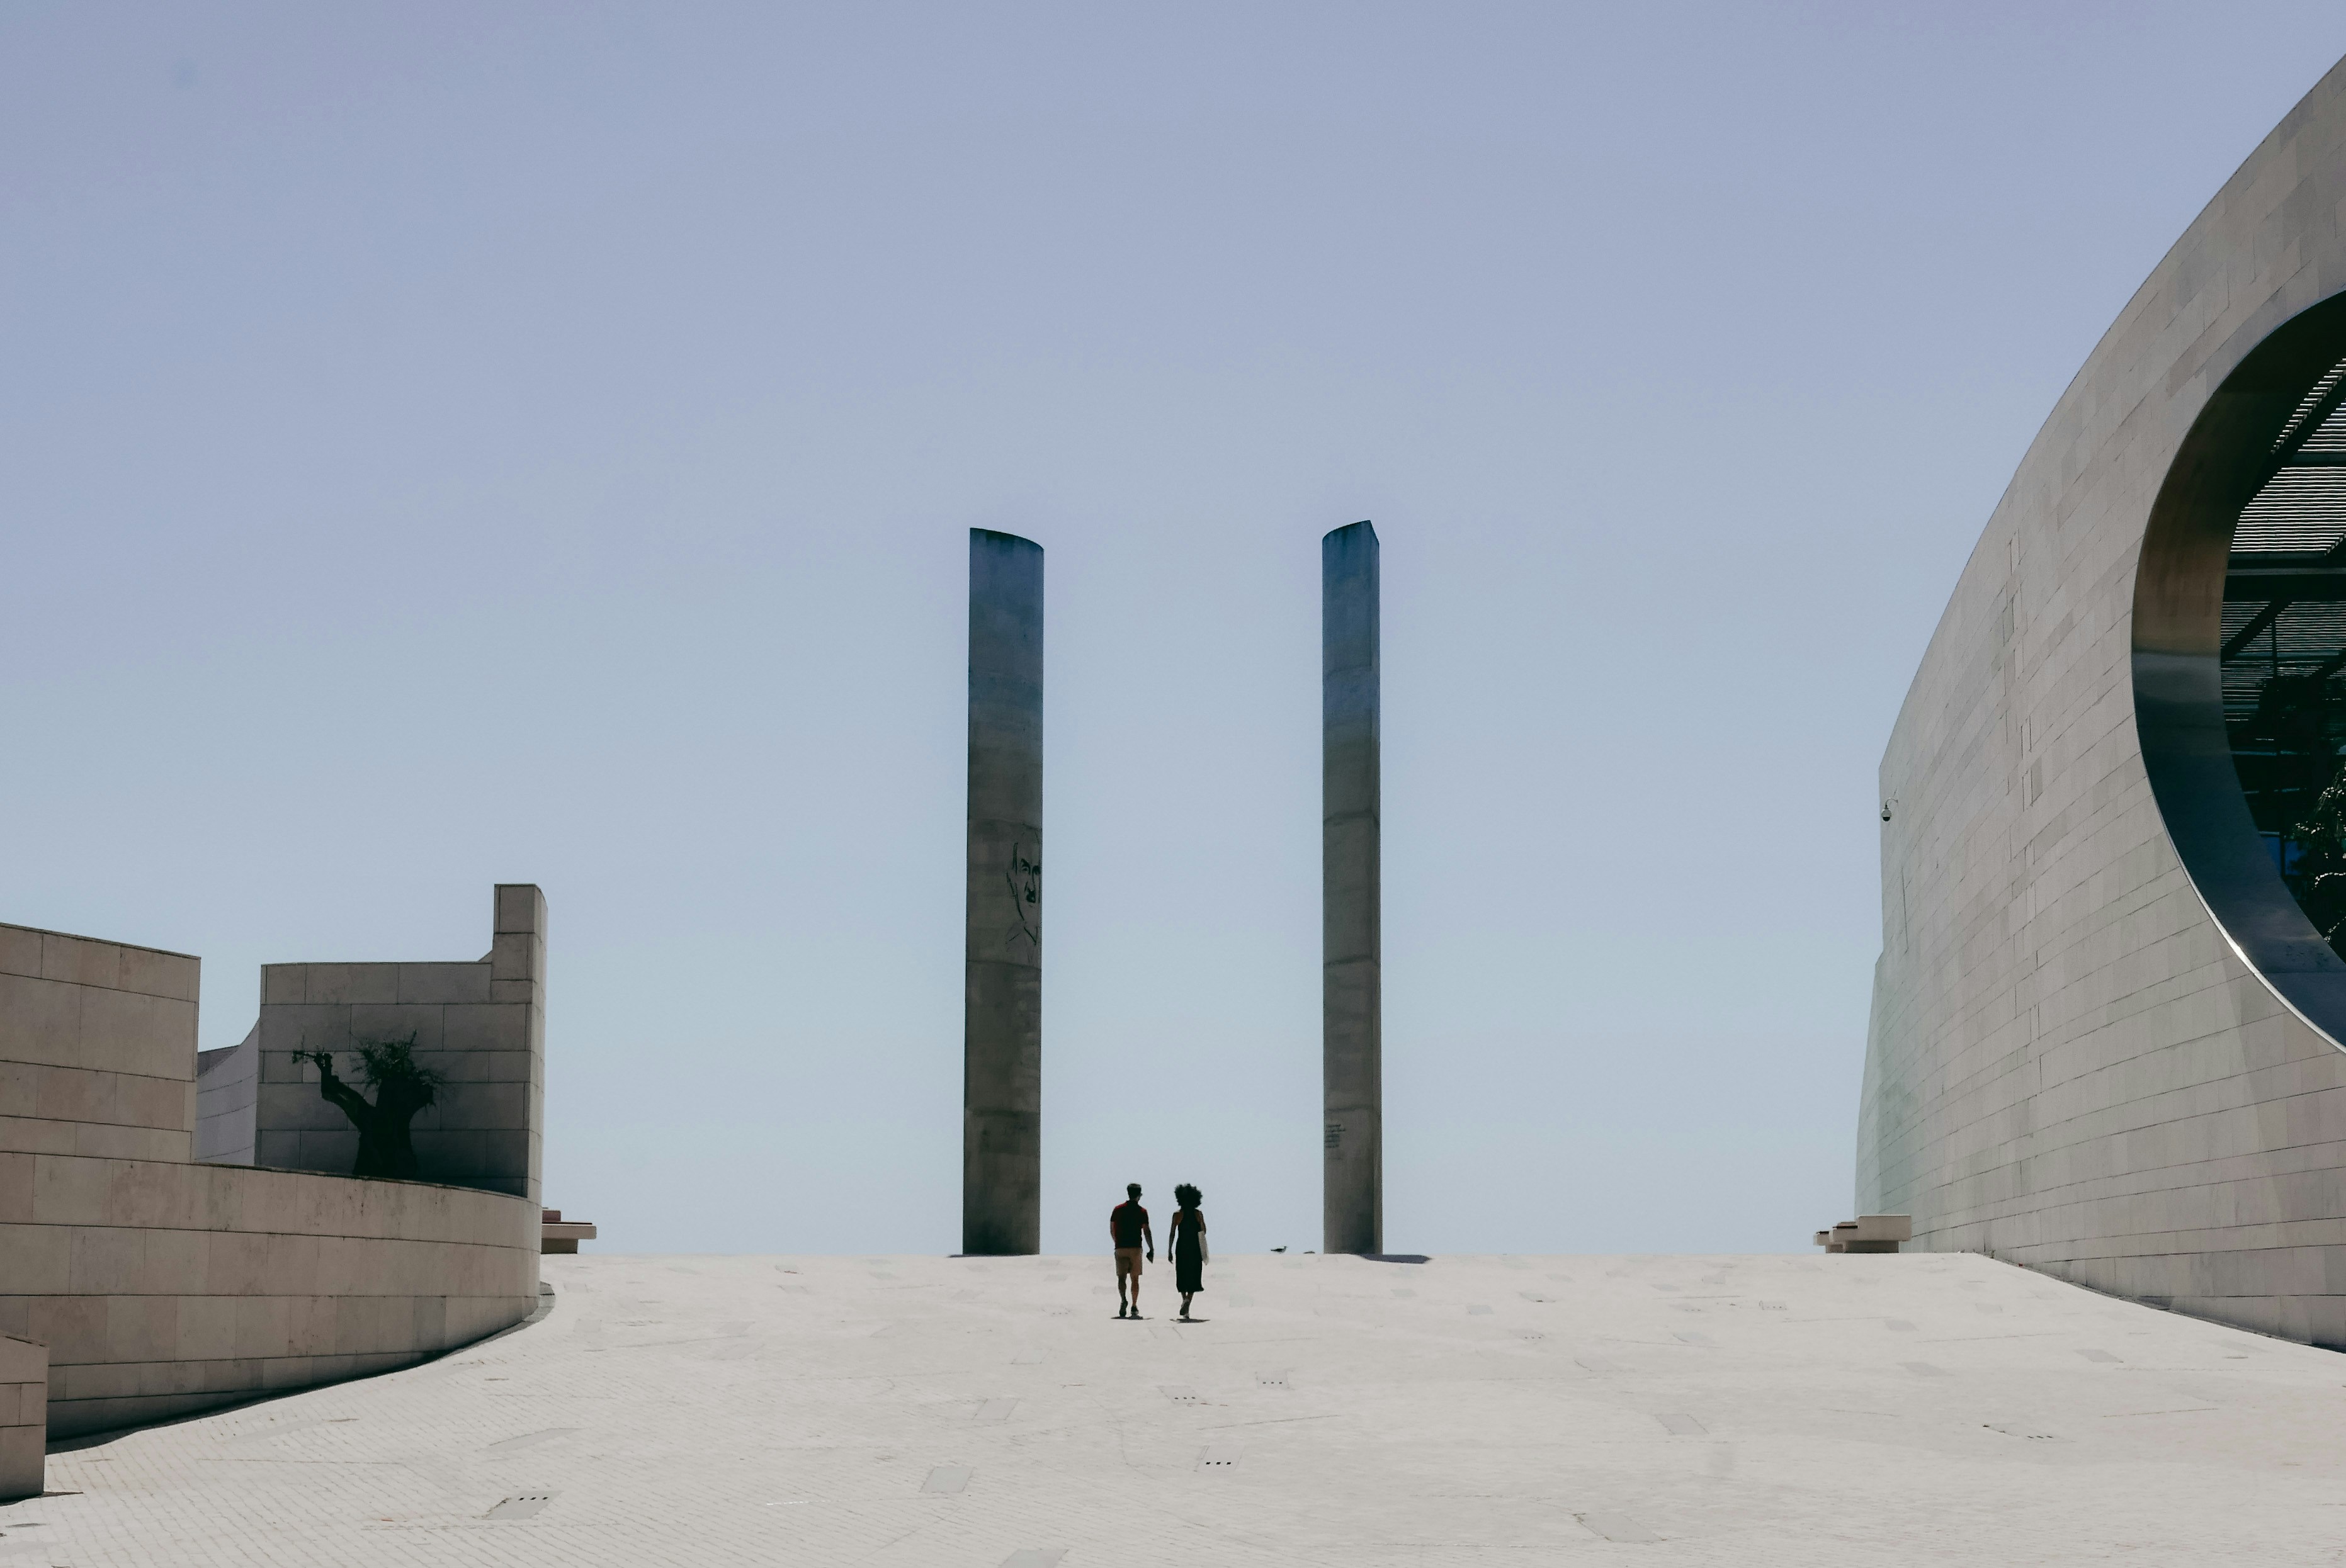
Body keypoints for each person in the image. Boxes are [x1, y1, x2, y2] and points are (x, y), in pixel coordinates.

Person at [1109, 1183, 1153, 1319]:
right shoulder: (1142, 1211)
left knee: (1121, 1278)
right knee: (1135, 1279)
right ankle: (1134, 1306)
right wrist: (1151, 1248)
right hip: (1135, 1247)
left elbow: (1112, 1228)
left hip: (1121, 1247)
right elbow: (1146, 1231)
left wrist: (1116, 1242)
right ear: (1139, 1195)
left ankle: (1123, 1299)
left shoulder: (1118, 1210)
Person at [1168, 1183, 1208, 1321]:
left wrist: (1169, 1250)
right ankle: (1188, 1302)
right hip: (1195, 1248)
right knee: (1194, 1276)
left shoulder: (1177, 1215)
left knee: (1182, 1275)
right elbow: (1204, 1231)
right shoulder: (1198, 1214)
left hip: (1182, 1248)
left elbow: (1172, 1234)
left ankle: (1185, 1300)